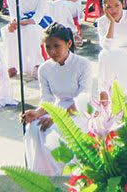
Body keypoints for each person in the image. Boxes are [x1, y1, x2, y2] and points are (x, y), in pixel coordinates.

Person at [23, 23, 93, 176]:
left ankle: (64, 175)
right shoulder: (44, 69)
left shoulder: (83, 65)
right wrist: (36, 113)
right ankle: (43, 176)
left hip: (79, 111)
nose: (52, 51)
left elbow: (83, 99)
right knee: (34, 127)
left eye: (56, 46)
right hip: (57, 107)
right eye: (48, 47)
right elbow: (46, 99)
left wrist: (57, 118)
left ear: (68, 43)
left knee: (53, 130)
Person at [1, 0, 51, 79]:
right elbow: (15, 16)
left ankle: (36, 64)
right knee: (7, 31)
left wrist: (22, 22)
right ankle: (12, 65)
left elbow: (38, 16)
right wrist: (14, 23)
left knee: (31, 30)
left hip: (41, 23)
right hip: (22, 23)